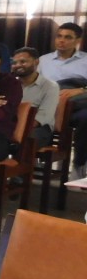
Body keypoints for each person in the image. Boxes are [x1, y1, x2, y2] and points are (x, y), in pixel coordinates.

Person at [39, 22, 87, 179]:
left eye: (67, 37)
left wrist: (81, 90)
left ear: (77, 40)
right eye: (59, 36)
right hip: (49, 104)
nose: (61, 40)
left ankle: (79, 164)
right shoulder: (43, 60)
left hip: (77, 103)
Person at [11, 47, 60, 150]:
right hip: (12, 125)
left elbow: (44, 116)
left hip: (39, 128)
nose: (18, 65)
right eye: (14, 63)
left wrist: (19, 128)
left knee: (23, 140)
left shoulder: (50, 86)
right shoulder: (10, 84)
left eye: (23, 61)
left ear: (36, 62)